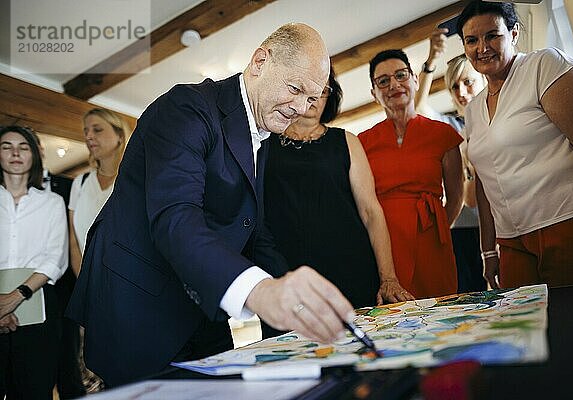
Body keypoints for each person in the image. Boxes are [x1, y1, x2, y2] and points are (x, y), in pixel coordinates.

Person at [66, 23, 356, 387]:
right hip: (140, 303)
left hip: (203, 303)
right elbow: (176, 217)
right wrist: (262, 293)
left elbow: (254, 228)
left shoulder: (264, 132)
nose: (301, 108)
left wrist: (292, 296)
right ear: (260, 61)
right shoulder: (186, 107)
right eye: (295, 89)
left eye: (311, 99)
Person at [457, 1, 573, 295]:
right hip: (512, 242)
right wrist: (489, 250)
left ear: (514, 33)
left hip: (566, 223)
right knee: (524, 328)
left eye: (492, 35)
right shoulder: (472, 111)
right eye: (472, 40)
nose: (482, 47)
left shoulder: (543, 66)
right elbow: (484, 180)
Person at [264, 66, 414, 315]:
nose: (313, 98)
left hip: (351, 269)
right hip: (287, 276)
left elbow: (371, 211)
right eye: (305, 89)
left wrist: (389, 277)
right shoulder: (264, 143)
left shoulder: (346, 140)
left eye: (321, 91)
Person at [358, 49, 464, 299]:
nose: (394, 85)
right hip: (385, 247)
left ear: (415, 79)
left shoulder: (443, 134)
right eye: (383, 81)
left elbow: (456, 198)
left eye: (400, 75)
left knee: (439, 314)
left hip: (432, 241)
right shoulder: (362, 142)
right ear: (375, 93)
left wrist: (435, 231)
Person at [415, 29, 488, 293]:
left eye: (467, 82)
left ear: (481, 78)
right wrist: (431, 60)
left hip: (502, 225)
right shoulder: (450, 127)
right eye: (454, 86)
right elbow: (418, 108)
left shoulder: (497, 118)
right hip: (462, 227)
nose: (461, 91)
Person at [0, 126, 68, 399]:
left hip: (38, 302)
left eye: (23, 147)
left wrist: (15, 297)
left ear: (33, 156)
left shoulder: (52, 202)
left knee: (35, 389)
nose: (15, 152)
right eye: (6, 146)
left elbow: (56, 258)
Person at [34, 134, 86, 399]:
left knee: (68, 355)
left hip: (64, 286)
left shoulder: (70, 186)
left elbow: (75, 236)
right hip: (25, 290)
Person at [69, 108, 130, 277]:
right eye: (86, 131)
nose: (88, 137)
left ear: (120, 135)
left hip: (129, 278)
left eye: (97, 130)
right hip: (88, 279)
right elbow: (73, 242)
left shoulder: (134, 181)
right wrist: (83, 281)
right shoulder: (79, 183)